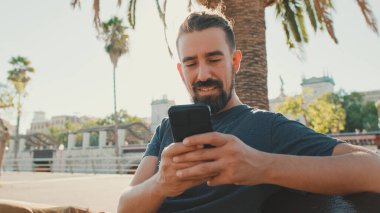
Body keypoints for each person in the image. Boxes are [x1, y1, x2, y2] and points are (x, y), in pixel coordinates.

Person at [117, 8, 380, 213]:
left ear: (235, 61)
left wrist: (260, 165)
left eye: (214, 59)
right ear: (180, 71)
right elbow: (125, 205)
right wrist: (160, 183)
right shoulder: (167, 127)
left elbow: (373, 170)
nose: (203, 73)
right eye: (191, 63)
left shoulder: (267, 127)